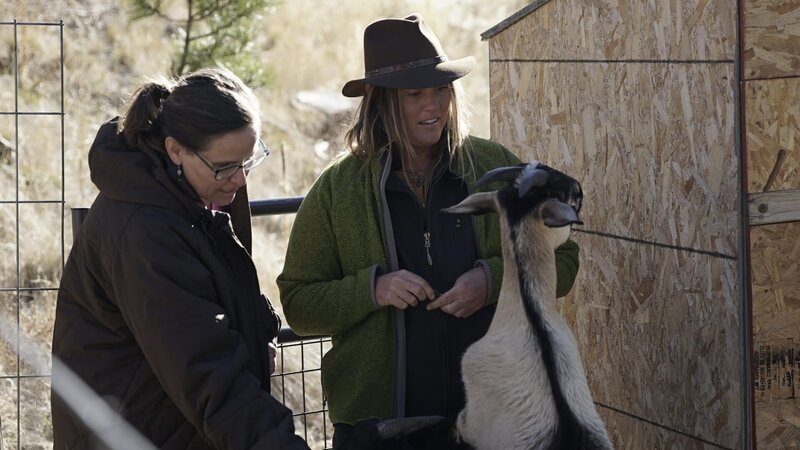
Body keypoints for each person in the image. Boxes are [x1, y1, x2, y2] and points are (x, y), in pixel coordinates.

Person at [277, 14, 580, 450]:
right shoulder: (336, 191)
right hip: (380, 430)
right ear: (381, 102)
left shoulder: (494, 169)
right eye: (415, 93)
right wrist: (373, 289)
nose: (433, 105)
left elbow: (565, 261)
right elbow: (299, 304)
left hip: (495, 420)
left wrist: (493, 280)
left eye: (441, 89)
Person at [52, 68, 309, 450]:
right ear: (175, 150)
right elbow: (207, 373)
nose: (239, 180)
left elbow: (214, 300)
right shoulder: (144, 232)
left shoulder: (197, 193)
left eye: (248, 160)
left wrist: (257, 332)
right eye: (225, 166)